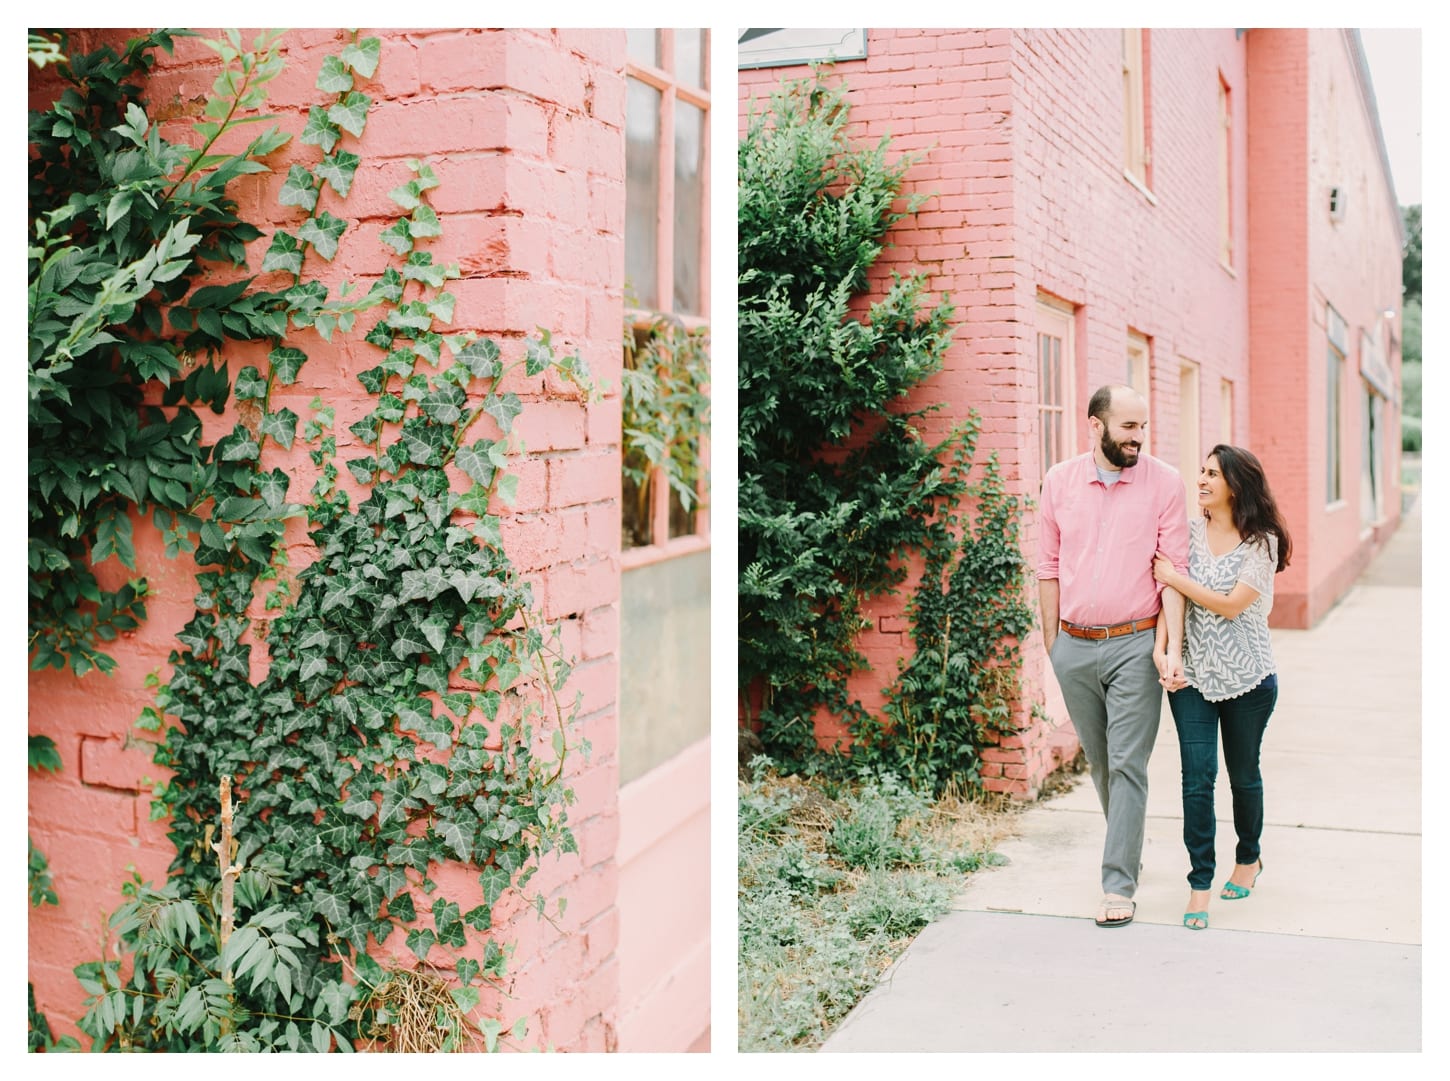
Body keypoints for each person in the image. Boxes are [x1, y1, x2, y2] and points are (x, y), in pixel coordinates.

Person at [1038, 384, 1189, 928]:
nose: (1139, 438)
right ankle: (1128, 848)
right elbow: (1048, 567)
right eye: (1128, 427)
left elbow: (1174, 572)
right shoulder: (1059, 482)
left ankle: (1117, 883)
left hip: (1133, 643)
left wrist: (1166, 646)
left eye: (1143, 427)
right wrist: (1053, 645)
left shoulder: (1164, 483)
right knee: (1101, 763)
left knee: (1128, 762)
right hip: (1073, 646)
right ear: (1096, 426)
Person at [1152, 444, 1292, 931]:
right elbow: (1168, 593)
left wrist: (1175, 577)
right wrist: (1165, 649)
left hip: (1249, 679)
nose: (1203, 480)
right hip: (1191, 677)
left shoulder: (1262, 541)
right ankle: (1199, 883)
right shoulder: (1186, 534)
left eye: (1213, 474)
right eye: (1202, 472)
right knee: (1196, 778)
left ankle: (1249, 858)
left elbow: (1232, 605)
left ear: (1236, 483)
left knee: (1242, 773)